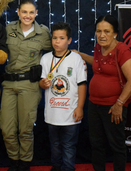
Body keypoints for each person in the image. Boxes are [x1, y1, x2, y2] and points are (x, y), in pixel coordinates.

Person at [74, 15, 131, 171]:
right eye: (98, 31)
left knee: (116, 144)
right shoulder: (98, 48)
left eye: (106, 31)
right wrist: (80, 55)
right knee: (96, 144)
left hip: (113, 106)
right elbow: (96, 62)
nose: (102, 35)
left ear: (115, 33)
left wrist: (119, 104)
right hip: (94, 104)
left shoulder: (122, 50)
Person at [0, 0, 52, 171]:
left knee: (25, 129)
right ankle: (14, 160)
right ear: (18, 13)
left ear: (36, 13)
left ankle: (25, 163)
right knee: (7, 129)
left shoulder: (43, 33)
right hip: (9, 84)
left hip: (30, 85)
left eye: (31, 12)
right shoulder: (8, 29)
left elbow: (54, 55)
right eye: (24, 12)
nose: (27, 16)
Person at [39, 22, 87, 171]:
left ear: (69, 40)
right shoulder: (46, 58)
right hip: (52, 113)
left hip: (70, 113)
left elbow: (82, 84)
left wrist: (80, 107)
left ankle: (67, 168)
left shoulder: (76, 59)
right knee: (54, 145)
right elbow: (41, 82)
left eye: (61, 38)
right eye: (54, 38)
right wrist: (43, 84)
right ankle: (56, 167)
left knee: (68, 145)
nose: (57, 41)